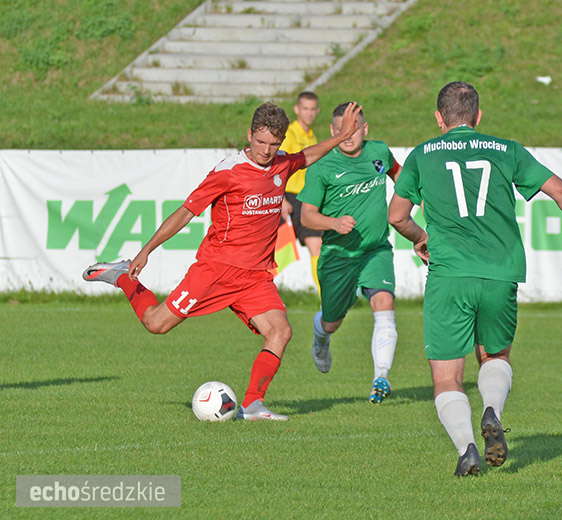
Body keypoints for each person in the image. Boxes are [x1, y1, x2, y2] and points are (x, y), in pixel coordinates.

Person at [82, 101, 363, 421]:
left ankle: (254, 404)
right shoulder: (228, 172)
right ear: (249, 135)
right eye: (260, 142)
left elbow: (307, 155)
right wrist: (147, 250)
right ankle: (123, 278)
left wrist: (341, 137)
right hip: (216, 270)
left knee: (281, 332)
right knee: (155, 324)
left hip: (255, 277)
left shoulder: (281, 164)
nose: (266, 151)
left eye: (273, 144)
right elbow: (186, 212)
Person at [388, 82, 562, 476]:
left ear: (439, 118)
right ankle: (492, 409)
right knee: (495, 356)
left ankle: (467, 448)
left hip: (450, 276)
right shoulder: (507, 150)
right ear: (478, 116)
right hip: (500, 274)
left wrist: (422, 239)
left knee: (447, 377)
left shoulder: (422, 155)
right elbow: (556, 188)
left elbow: (396, 216)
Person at [298, 102, 402, 404]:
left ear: (364, 129)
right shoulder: (322, 167)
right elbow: (306, 217)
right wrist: (333, 223)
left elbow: (401, 177)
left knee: (384, 303)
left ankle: (380, 378)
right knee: (333, 321)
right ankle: (321, 337)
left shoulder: (378, 153)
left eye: (354, 127)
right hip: (338, 256)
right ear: (332, 132)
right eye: (342, 128)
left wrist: (414, 203)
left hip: (375, 249)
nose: (349, 134)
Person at [279, 91, 323, 292]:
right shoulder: (289, 133)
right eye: (305, 108)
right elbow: (276, 165)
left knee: (317, 246)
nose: (309, 113)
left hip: (306, 198)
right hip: (288, 196)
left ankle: (326, 301)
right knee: (273, 253)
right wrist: (280, 199)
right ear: (297, 109)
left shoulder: (312, 136)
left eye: (313, 109)